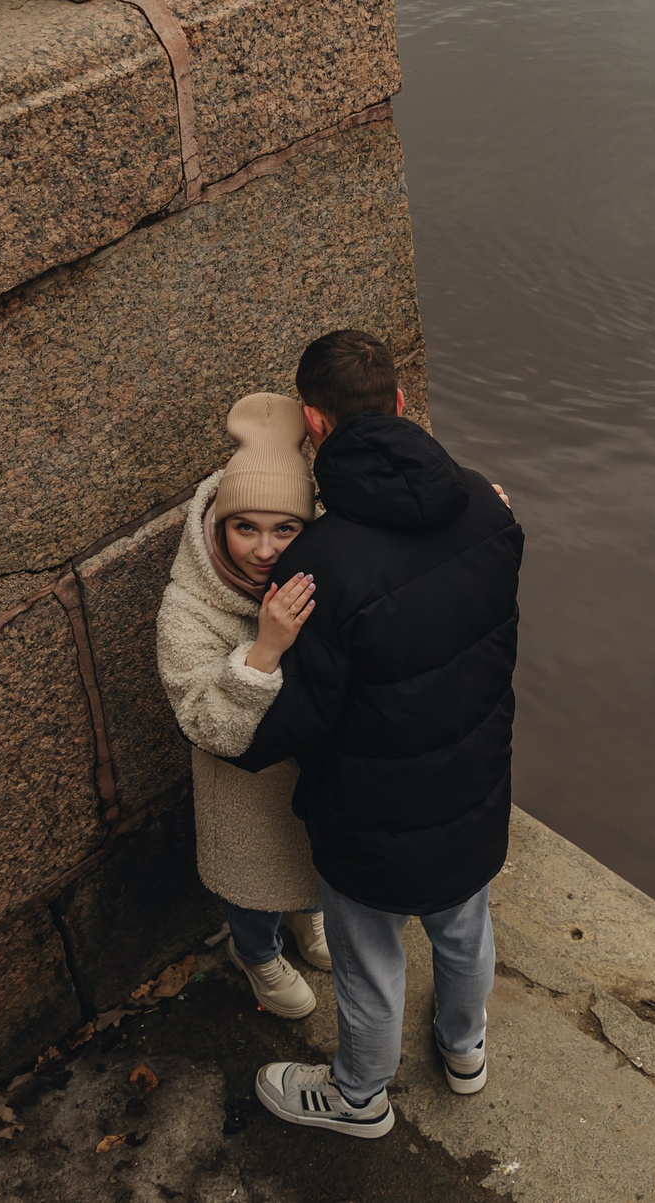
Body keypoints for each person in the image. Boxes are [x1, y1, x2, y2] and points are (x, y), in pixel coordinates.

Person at [232, 330, 524, 1140]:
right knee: (465, 929)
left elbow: (306, 714)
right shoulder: (486, 506)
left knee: (369, 960)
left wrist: (238, 717)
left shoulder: (320, 563)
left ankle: (359, 1095)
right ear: (400, 403)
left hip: (371, 813)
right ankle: (464, 1049)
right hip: (472, 786)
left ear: (313, 423)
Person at [155, 392, 334, 1021]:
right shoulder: (189, 609)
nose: (265, 551)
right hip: (243, 793)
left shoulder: (324, 578)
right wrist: (264, 651)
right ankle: (257, 955)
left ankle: (310, 923)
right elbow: (203, 724)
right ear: (217, 526)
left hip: (314, 776)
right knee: (254, 888)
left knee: (314, 861)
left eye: (286, 529)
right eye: (245, 528)